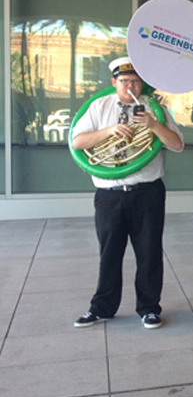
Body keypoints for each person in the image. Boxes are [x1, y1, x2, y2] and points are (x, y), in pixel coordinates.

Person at [72, 57, 184, 330]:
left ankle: (148, 309)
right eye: (124, 81)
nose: (130, 86)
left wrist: (154, 125)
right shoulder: (99, 106)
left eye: (135, 81)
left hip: (147, 192)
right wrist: (110, 131)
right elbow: (77, 141)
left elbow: (178, 145)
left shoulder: (155, 109)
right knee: (109, 253)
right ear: (114, 82)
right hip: (110, 194)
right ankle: (101, 308)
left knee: (149, 252)